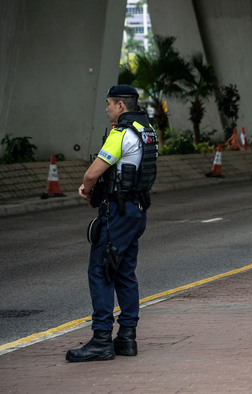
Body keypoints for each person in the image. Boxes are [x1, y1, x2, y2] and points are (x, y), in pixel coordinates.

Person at [66, 85, 158, 362]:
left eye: (108, 104)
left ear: (121, 106)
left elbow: (94, 172)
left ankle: (101, 339)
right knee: (125, 272)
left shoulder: (121, 133)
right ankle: (127, 338)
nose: (106, 109)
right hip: (137, 209)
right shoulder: (147, 131)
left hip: (117, 212)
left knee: (101, 270)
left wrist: (86, 189)